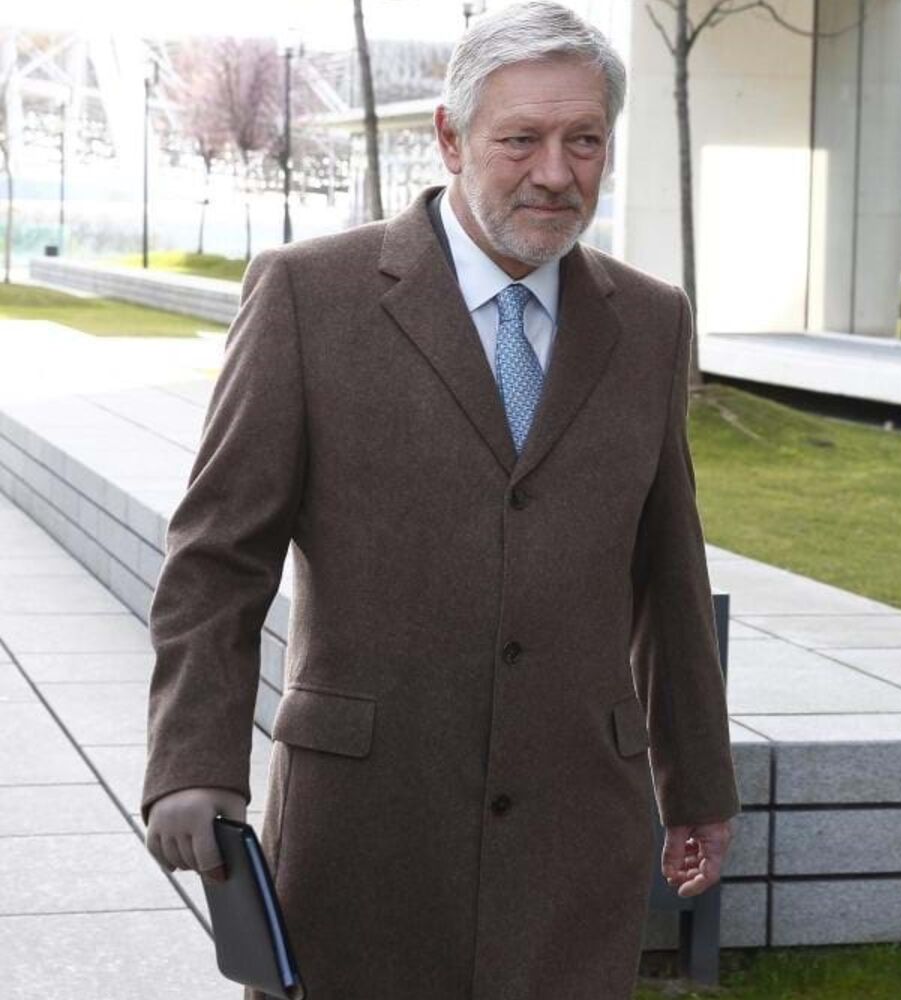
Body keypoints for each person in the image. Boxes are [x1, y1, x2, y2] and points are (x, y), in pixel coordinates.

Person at [139, 4, 740, 998]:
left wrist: (700, 785)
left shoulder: (651, 321)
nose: (557, 172)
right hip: (363, 834)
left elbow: (669, 574)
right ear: (452, 139)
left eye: (585, 141)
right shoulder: (306, 297)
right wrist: (192, 762)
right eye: (521, 140)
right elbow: (217, 561)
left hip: (575, 839)